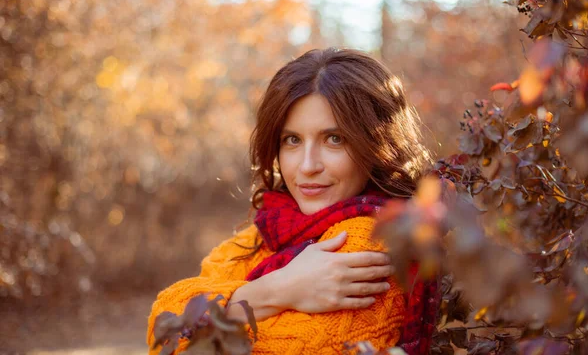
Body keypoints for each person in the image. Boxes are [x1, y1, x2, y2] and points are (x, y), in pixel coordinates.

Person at [146, 48, 439, 355]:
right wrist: (279, 289)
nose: (307, 165)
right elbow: (164, 323)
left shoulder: (370, 239)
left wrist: (231, 304)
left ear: (376, 145)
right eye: (293, 140)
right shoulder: (259, 237)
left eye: (334, 138)